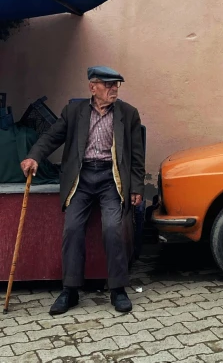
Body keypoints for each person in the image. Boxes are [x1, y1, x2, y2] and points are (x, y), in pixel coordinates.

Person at [21, 66, 145, 316]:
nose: (114, 90)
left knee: (113, 228)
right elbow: (51, 137)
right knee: (72, 229)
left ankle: (118, 288)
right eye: (108, 85)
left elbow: (137, 155)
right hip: (82, 178)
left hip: (112, 178)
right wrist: (33, 157)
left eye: (116, 85)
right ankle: (70, 290)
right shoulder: (74, 112)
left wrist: (137, 187)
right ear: (92, 87)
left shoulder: (128, 114)